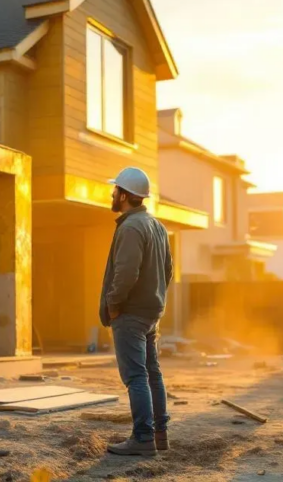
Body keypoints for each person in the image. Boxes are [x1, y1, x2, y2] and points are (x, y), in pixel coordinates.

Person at [99, 166, 173, 457]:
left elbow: (126, 272)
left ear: (126, 195)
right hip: (151, 311)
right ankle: (159, 433)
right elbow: (168, 270)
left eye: (115, 189)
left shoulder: (130, 227)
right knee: (152, 372)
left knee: (136, 376)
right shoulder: (157, 225)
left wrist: (114, 305)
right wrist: (155, 298)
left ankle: (143, 437)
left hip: (131, 313)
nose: (112, 193)